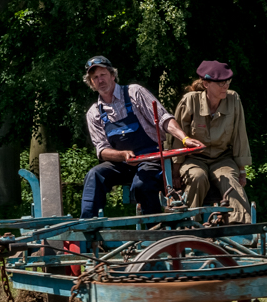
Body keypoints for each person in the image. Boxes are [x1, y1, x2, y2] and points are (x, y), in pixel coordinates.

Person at [81, 55, 199, 219]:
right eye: (95, 78)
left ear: (112, 75)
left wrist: (185, 138)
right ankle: (88, 227)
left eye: (103, 75)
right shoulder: (94, 113)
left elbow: (164, 119)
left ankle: (155, 228)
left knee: (141, 185)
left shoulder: (134, 92)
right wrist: (122, 155)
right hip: (123, 163)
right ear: (91, 83)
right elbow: (102, 150)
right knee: (94, 175)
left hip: (152, 158)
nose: (100, 80)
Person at [170, 60, 253, 223]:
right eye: (221, 83)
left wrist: (242, 170)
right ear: (206, 84)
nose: (225, 86)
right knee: (197, 177)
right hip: (194, 159)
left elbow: (239, 135)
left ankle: (240, 226)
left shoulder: (233, 99)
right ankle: (189, 224)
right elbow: (178, 139)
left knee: (230, 179)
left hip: (222, 158)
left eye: (228, 81)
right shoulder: (190, 101)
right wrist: (175, 173)